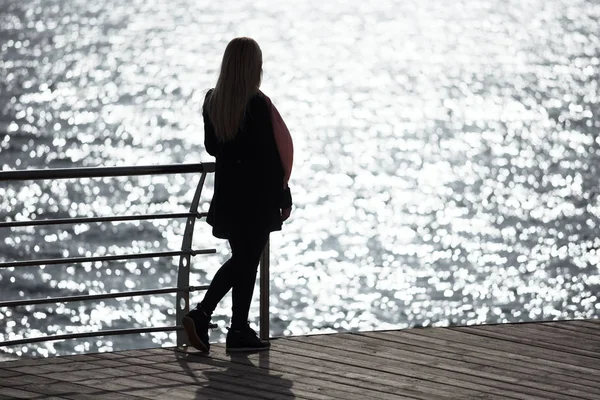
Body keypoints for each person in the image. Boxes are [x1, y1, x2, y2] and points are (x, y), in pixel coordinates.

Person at [182, 37, 293, 353]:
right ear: (252, 67)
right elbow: (270, 157)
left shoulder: (212, 102)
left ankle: (238, 329)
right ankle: (203, 313)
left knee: (244, 261)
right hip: (257, 198)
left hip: (229, 197)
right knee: (246, 260)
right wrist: (284, 196)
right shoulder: (257, 103)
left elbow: (212, 148)